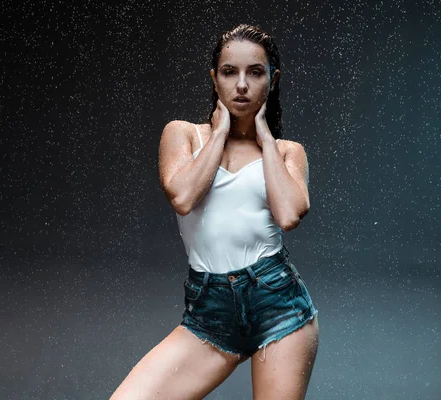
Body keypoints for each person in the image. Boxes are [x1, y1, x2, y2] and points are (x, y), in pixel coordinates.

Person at [110, 23, 319, 400]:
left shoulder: (288, 152)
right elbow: (184, 196)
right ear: (214, 79)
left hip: (279, 307)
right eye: (229, 72)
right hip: (210, 314)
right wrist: (220, 132)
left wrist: (266, 137)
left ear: (272, 80)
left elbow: (289, 214)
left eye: (255, 73)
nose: (241, 84)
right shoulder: (184, 135)